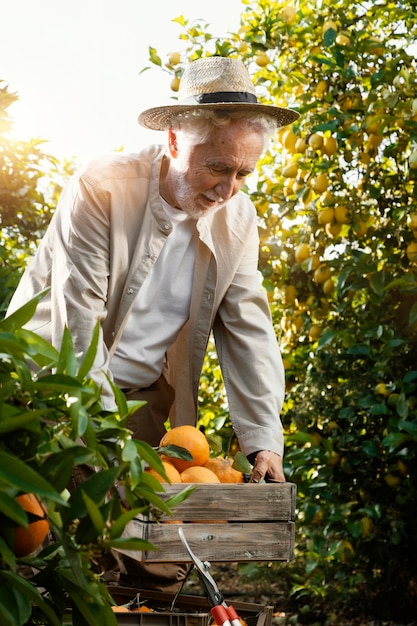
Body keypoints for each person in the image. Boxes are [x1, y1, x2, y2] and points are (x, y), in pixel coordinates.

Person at [7, 56, 299, 587]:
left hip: (138, 396)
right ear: (172, 142)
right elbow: (78, 326)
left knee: (157, 557)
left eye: (243, 173)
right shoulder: (103, 188)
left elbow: (249, 330)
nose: (228, 188)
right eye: (216, 167)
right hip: (48, 386)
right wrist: (98, 442)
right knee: (42, 543)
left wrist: (263, 440)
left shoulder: (238, 217)